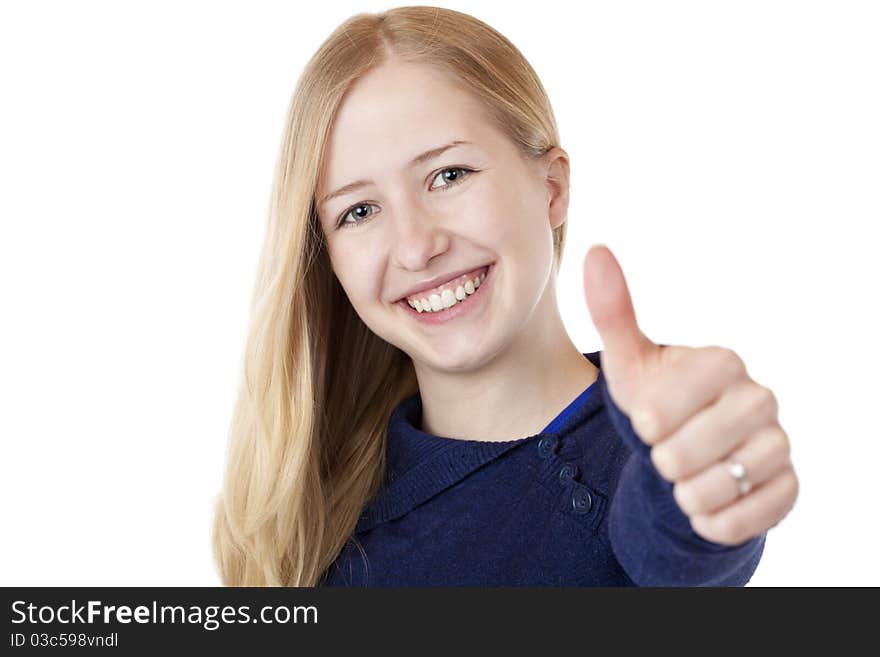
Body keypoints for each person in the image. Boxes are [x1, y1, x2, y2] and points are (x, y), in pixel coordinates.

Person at [212, 6, 799, 586]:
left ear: (552, 187)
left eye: (449, 175)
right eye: (359, 211)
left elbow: (673, 545)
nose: (416, 248)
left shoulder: (638, 459)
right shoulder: (316, 513)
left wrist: (710, 483)